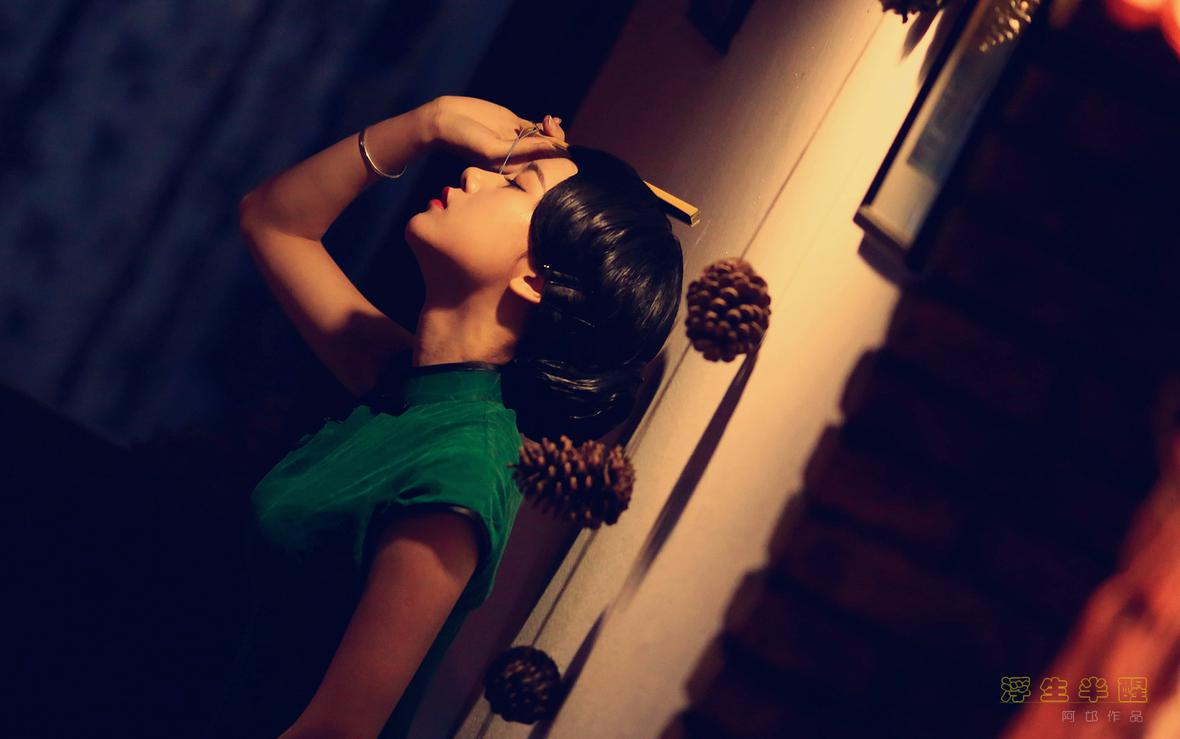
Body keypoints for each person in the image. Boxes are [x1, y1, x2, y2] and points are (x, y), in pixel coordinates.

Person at [205, 95, 684, 738]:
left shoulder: (460, 470)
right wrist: (430, 120)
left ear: (535, 279)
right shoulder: (412, 386)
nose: (477, 174)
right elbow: (272, 220)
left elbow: (337, 732)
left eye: (514, 183)